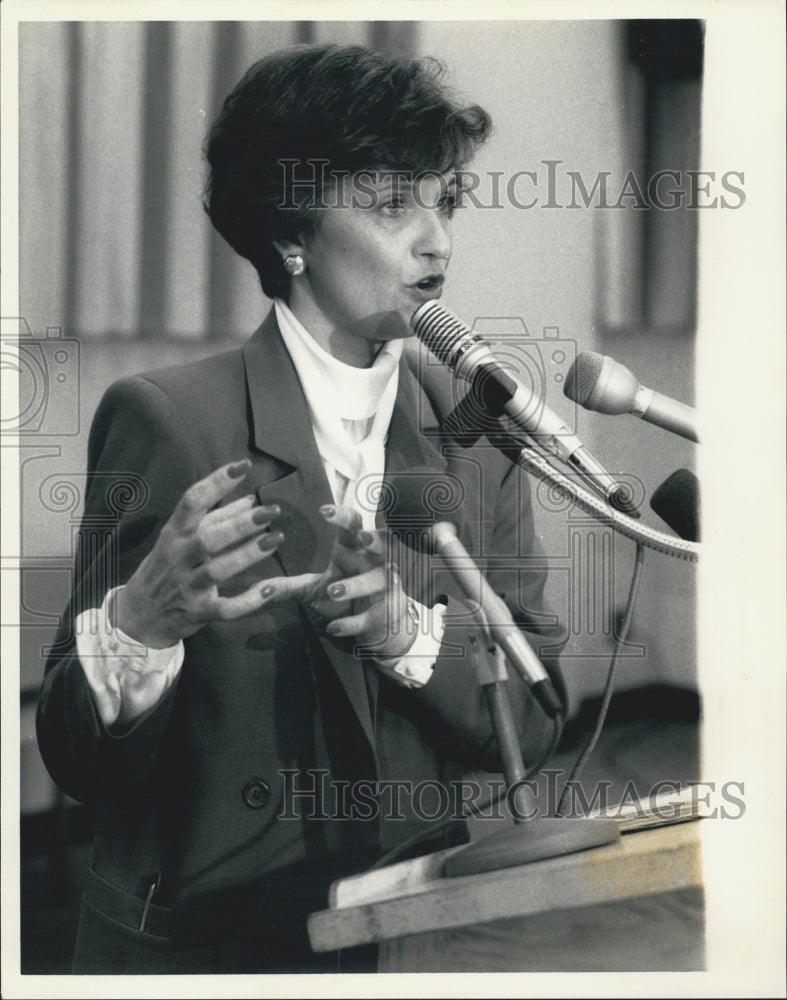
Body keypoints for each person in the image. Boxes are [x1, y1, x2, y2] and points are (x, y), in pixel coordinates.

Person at [36, 43, 567, 974]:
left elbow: (538, 713)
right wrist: (139, 624)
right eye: (393, 205)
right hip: (214, 952)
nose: (435, 239)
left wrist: (406, 633)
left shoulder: (475, 424)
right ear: (291, 234)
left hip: (417, 937)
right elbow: (81, 763)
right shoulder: (172, 420)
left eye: (444, 202)